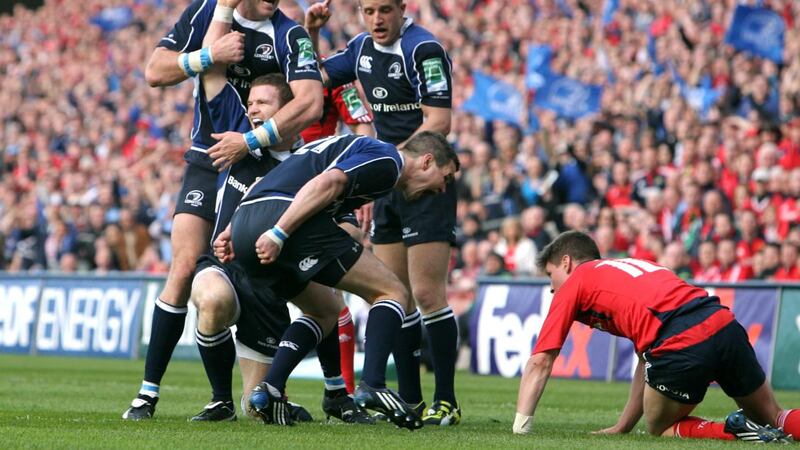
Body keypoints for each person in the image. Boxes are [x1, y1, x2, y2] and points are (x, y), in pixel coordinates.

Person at [124, 0, 324, 420]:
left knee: (264, 406)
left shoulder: (290, 34)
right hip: (211, 154)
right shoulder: (205, 13)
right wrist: (209, 52)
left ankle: (325, 392)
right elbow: (156, 72)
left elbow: (310, 102)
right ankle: (149, 393)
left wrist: (250, 141)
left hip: (266, 156)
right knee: (184, 270)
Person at [214, 131, 458, 429]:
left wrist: (232, 229)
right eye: (445, 178)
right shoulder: (389, 160)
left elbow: (266, 181)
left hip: (246, 222)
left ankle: (270, 389)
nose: (443, 190)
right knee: (393, 291)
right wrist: (279, 232)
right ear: (426, 161)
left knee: (324, 310)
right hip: (282, 220)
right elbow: (328, 183)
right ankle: (372, 385)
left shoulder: (341, 148)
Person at [304, 0, 460, 425]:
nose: (377, 20)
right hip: (387, 182)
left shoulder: (423, 49)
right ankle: (409, 399)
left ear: (402, 8)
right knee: (395, 292)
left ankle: (446, 399)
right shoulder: (359, 48)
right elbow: (313, 80)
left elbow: (439, 121)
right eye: (368, 11)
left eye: (384, 10)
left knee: (428, 295)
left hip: (426, 181)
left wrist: (389, 160)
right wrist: (312, 32)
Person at [513, 230, 797, 443]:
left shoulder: (577, 280)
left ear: (566, 262)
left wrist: (520, 427)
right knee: (775, 415)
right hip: (722, 323)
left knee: (659, 426)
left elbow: (540, 360)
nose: (553, 288)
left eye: (551, 275)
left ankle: (732, 429)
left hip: (680, 339)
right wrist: (622, 426)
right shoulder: (631, 267)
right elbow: (645, 358)